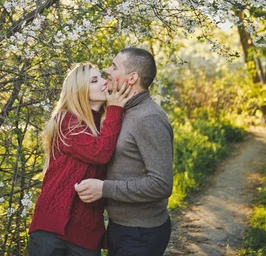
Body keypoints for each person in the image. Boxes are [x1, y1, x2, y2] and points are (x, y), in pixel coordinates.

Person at [75, 48, 174, 256]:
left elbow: (161, 184)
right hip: (119, 227)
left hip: (141, 233)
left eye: (113, 66)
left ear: (132, 78)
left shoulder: (149, 118)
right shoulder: (121, 110)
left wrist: (104, 189)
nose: (107, 70)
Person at [28, 62, 134, 256]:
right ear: (79, 90)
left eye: (102, 77)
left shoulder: (108, 123)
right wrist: (115, 109)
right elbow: (99, 153)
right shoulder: (65, 120)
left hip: (86, 232)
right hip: (51, 231)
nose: (103, 82)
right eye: (94, 80)